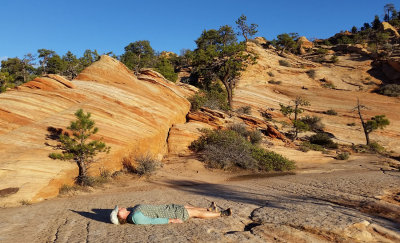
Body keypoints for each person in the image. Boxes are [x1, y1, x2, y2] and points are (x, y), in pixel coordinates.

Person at [110, 202, 232, 225]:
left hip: (167, 208)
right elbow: (153, 221)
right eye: (118, 210)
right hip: (169, 214)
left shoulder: (132, 212)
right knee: (193, 212)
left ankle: (209, 209)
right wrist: (171, 220)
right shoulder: (135, 218)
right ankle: (222, 214)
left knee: (186, 206)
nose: (120, 207)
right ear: (120, 216)